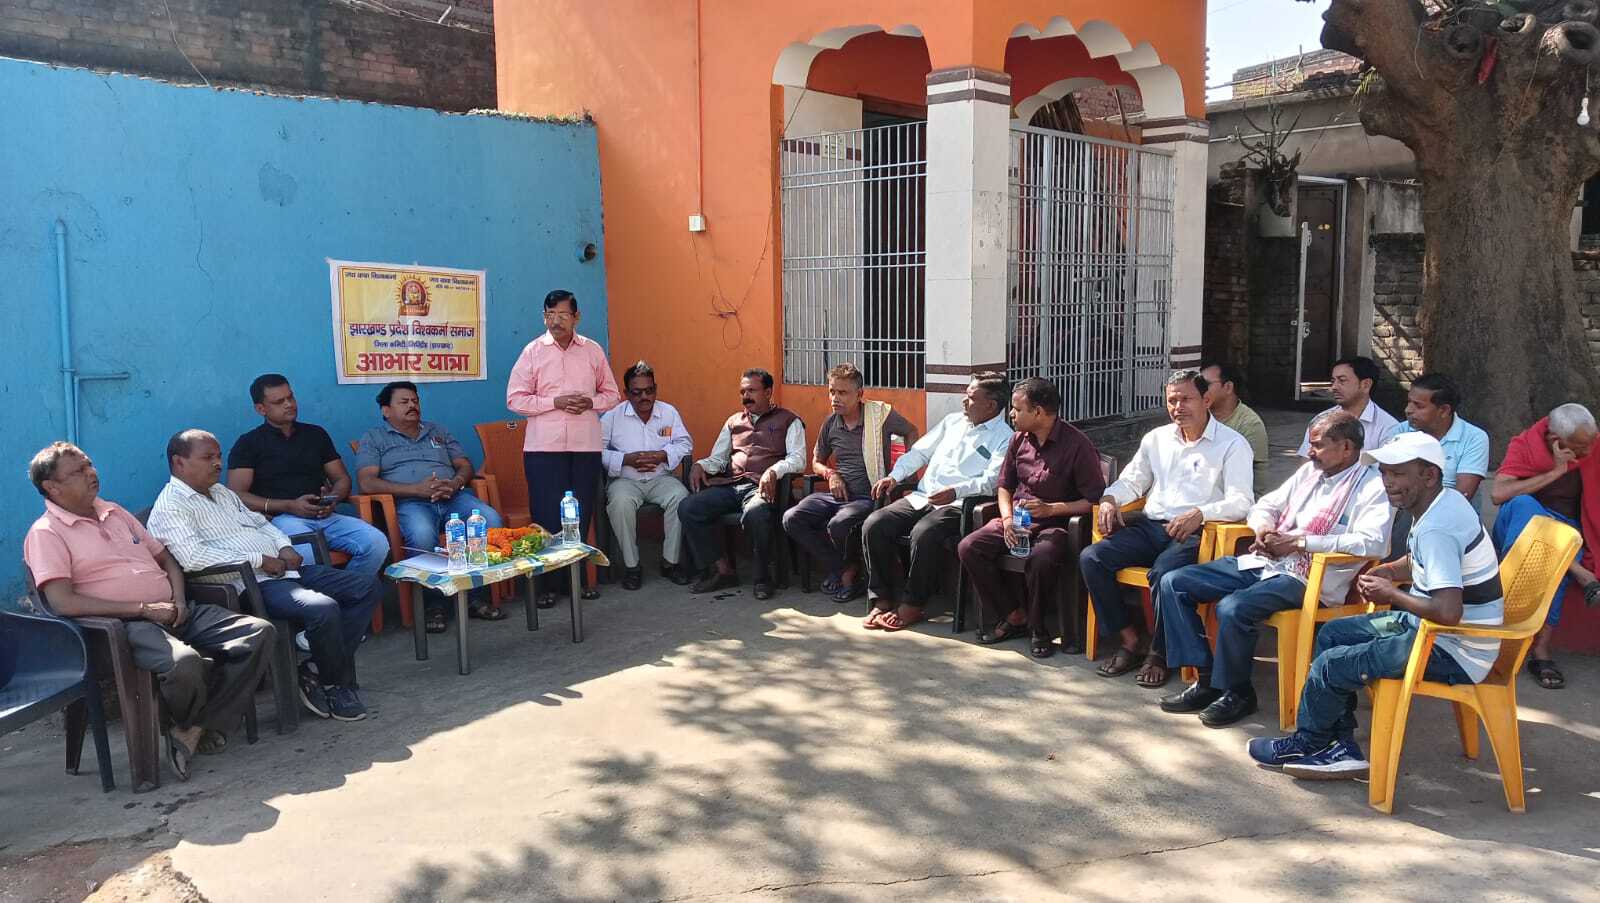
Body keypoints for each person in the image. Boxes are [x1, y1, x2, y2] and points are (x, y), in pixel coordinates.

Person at [1249, 432, 1503, 781]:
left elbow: (1448, 612)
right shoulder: (1444, 502)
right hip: (1436, 633)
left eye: (1398, 473)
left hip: (1452, 649)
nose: (1388, 482)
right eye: (1384, 472)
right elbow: (1426, 562)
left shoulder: (1437, 528)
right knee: (1333, 634)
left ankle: (1310, 743)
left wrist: (1391, 594)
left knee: (1331, 665)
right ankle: (1337, 746)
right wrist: (1392, 571)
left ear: (1429, 475)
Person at [23, 442, 274, 782]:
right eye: (78, 471)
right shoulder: (46, 533)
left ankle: (193, 727)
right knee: (185, 664)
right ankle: (194, 725)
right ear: (52, 487)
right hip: (123, 625)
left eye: (89, 464)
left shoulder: (114, 512)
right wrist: (142, 609)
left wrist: (180, 601)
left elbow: (166, 559)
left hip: (175, 610)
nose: (91, 473)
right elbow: (63, 602)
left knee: (259, 632)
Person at [1156, 411, 1390, 726]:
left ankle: (1239, 693)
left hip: (1310, 578)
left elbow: (1374, 543)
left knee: (1233, 607)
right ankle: (1208, 678)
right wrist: (1264, 529)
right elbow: (1265, 505)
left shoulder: (1372, 486)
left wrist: (1301, 543)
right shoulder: (1310, 472)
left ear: (1347, 447)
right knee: (1174, 582)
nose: (1309, 452)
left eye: (1318, 445)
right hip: (1268, 561)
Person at [148, 430, 379, 723]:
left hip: (283, 570)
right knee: (323, 609)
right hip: (248, 584)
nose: (218, 463)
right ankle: (334, 685)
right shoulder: (171, 506)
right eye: (208, 458)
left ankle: (316, 671)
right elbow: (193, 558)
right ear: (179, 462)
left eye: (219, 456)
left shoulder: (222, 493)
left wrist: (284, 546)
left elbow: (261, 524)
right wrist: (260, 560)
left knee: (366, 587)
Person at [1081, 369, 1254, 687]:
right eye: (1172, 400)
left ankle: (1159, 653)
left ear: (1206, 400)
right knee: (1093, 557)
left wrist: (1201, 513)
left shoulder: (1232, 444)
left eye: (1186, 399)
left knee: (1164, 573)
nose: (1178, 407)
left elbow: (1242, 502)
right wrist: (1109, 499)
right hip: (1151, 527)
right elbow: (1132, 481)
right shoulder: (1156, 439)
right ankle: (1131, 639)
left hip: (1196, 533)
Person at [957, 378, 1105, 657]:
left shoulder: (1077, 445)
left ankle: (1039, 628)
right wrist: (1007, 520)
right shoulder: (1018, 440)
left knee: (1042, 558)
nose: (1011, 415)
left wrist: (1052, 509)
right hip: (1017, 519)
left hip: (1057, 524)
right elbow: (1004, 486)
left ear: (1038, 412)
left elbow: (1094, 501)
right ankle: (1013, 615)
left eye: (1017, 409)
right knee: (969, 547)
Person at [863, 372, 1012, 632]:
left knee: (924, 533)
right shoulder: (953, 422)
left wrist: (955, 491)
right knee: (875, 523)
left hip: (960, 504)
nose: (964, 402)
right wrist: (895, 476)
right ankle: (882, 597)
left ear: (991, 405)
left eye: (971, 398)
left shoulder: (1004, 437)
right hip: (924, 496)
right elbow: (919, 452)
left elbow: (991, 482)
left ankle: (913, 603)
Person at [355, 381, 505, 632]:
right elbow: (366, 482)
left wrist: (456, 483)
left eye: (415, 401)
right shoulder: (374, 438)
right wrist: (416, 489)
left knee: (490, 521)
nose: (412, 405)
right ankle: (434, 604)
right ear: (386, 410)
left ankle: (475, 597)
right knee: (422, 535)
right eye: (404, 402)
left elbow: (464, 465)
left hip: (452, 497)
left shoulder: (438, 430)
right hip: (411, 502)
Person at [506, 289, 622, 605]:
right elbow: (515, 399)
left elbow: (612, 395)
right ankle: (546, 586)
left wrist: (591, 402)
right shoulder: (533, 351)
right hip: (543, 448)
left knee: (579, 516)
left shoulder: (592, 351)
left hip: (585, 446)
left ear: (576, 317)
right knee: (546, 517)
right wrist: (553, 402)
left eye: (562, 315)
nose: (555, 321)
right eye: (549, 315)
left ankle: (576, 581)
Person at [226, 373, 390, 577]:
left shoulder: (315, 434)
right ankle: (329, 595)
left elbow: (342, 479)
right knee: (306, 552)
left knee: (377, 543)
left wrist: (333, 499)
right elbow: (236, 495)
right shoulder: (249, 443)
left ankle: (347, 592)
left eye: (290, 397)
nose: (289, 404)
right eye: (279, 401)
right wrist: (288, 506)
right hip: (281, 520)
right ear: (261, 409)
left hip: (324, 515)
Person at [783, 362, 917, 603]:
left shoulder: (880, 416)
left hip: (868, 496)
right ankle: (845, 569)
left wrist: (907, 472)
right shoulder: (831, 423)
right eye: (832, 391)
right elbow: (816, 462)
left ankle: (847, 574)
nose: (835, 398)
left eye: (843, 392)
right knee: (792, 518)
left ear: (859, 394)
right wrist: (831, 475)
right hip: (836, 496)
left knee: (839, 523)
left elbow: (911, 430)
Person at [1489, 402, 1600, 690]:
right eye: (1581, 447)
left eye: (1591, 443)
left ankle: (1541, 650)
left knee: (1559, 546)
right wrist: (1556, 471)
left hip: (1563, 533)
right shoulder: (1525, 445)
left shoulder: (1593, 446)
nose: (1589, 451)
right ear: (1555, 440)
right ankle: (1578, 572)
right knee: (1525, 505)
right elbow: (1498, 494)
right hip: (1518, 531)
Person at [678, 368, 805, 601]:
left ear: (768, 392)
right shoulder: (734, 421)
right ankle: (723, 570)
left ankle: (762, 577)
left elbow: (798, 459)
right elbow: (718, 458)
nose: (746, 396)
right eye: (743, 392)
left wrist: (773, 471)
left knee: (756, 512)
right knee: (689, 507)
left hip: (763, 488)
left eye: (752, 391)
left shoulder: (789, 420)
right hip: (731, 485)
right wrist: (700, 465)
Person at [600, 360, 694, 589]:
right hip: (625, 480)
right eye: (637, 392)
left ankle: (670, 562)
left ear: (655, 389)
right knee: (620, 504)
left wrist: (662, 455)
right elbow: (595, 451)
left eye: (649, 390)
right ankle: (632, 567)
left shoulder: (668, 413)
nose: (644, 397)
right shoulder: (612, 417)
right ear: (626, 393)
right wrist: (625, 459)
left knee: (680, 497)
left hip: (661, 479)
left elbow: (685, 443)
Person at [1391, 373, 1490, 502]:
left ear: (1444, 410)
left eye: (1419, 406)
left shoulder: (1474, 438)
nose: (1408, 410)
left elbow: (1462, 497)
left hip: (1452, 512)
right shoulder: (1400, 432)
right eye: (1409, 402)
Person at [1296, 355, 1400, 458]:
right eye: (1333, 381)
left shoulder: (1388, 427)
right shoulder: (1321, 420)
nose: (1334, 387)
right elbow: (1307, 460)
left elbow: (1390, 466)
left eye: (1342, 380)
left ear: (1366, 384)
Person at [1200, 360, 1270, 490]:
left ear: (1228, 387)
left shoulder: (1249, 424)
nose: (1200, 390)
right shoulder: (1197, 416)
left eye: (1205, 384)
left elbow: (1253, 480)